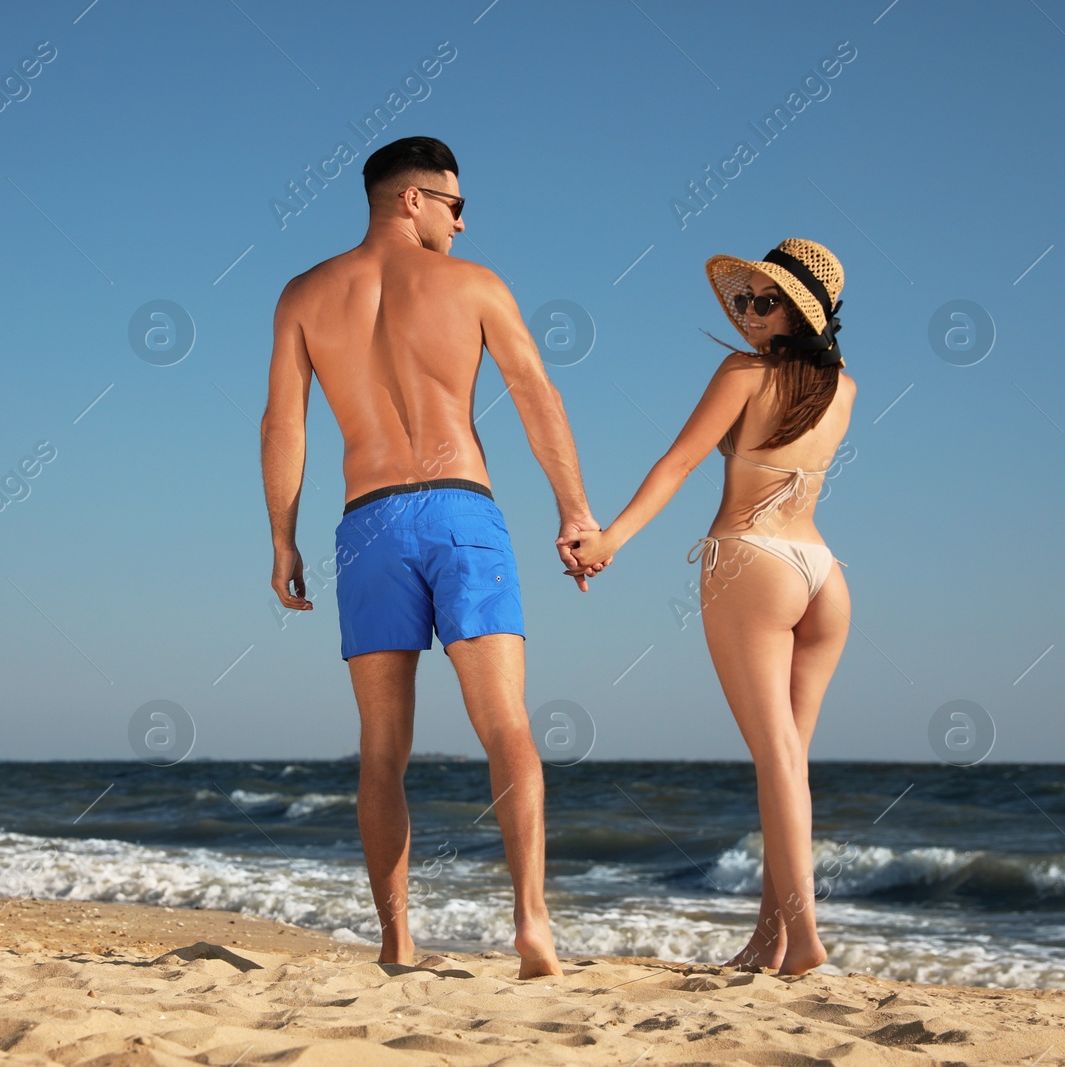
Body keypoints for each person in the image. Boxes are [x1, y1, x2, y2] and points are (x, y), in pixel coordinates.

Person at [259, 136, 603, 978]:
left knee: (381, 746)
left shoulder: (304, 294)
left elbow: (284, 425)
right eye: (455, 203)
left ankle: (397, 940)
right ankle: (530, 922)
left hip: (366, 521)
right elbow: (535, 395)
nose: (462, 219)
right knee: (507, 725)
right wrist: (575, 509)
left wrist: (282, 537)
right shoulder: (474, 283)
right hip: (459, 509)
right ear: (412, 199)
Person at [564, 239, 855, 975]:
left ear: (800, 311)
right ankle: (771, 938)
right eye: (744, 300)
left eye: (765, 301)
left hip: (752, 564)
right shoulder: (844, 386)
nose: (748, 313)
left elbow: (678, 462)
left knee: (778, 761)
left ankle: (807, 941)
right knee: (787, 764)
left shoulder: (742, 372)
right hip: (824, 576)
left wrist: (609, 540)